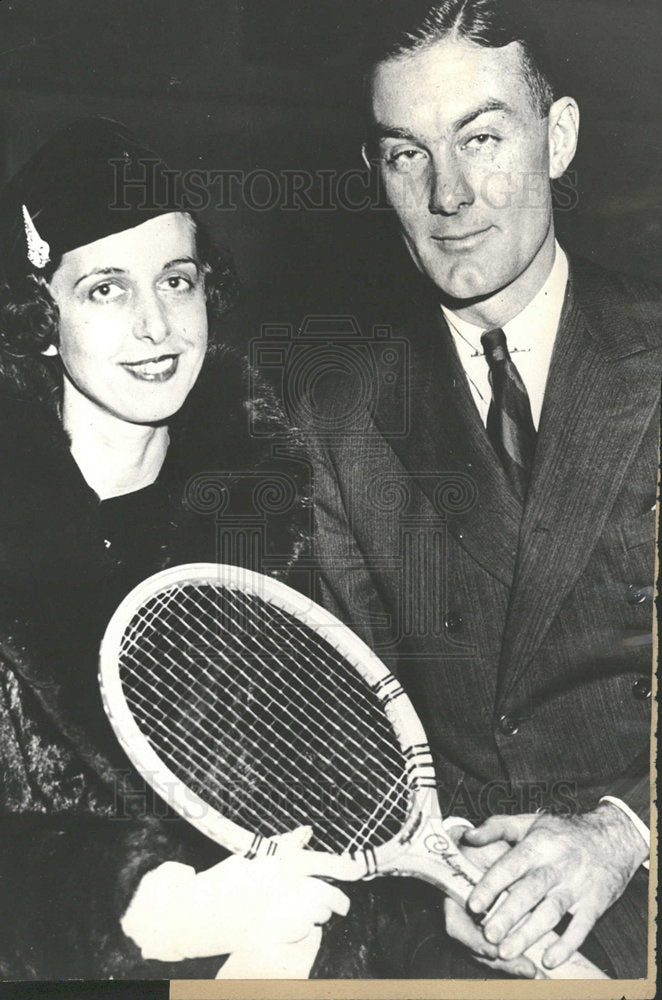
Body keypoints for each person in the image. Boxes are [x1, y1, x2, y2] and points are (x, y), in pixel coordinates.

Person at [305, 0, 659, 980]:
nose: (449, 194)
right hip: (462, 927)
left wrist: (620, 831)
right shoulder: (343, 419)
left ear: (557, 138)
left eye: (480, 138)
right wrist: (433, 886)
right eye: (405, 155)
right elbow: (356, 733)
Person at [0, 117, 352, 980]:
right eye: (107, 291)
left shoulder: (281, 514)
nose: (157, 326)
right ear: (40, 319)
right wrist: (136, 902)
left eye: (178, 281)